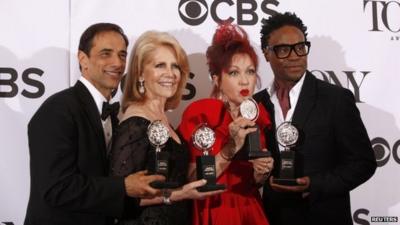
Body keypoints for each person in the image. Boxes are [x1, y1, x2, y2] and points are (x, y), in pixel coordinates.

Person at [24, 23, 165, 225]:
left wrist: (173, 195)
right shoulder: (58, 110)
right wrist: (123, 187)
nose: (117, 63)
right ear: (83, 59)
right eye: (106, 54)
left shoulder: (114, 116)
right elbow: (56, 188)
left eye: (122, 55)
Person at [254, 12, 377, 225]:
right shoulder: (256, 104)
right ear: (266, 53)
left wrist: (314, 184)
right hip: (272, 217)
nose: (295, 56)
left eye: (300, 47)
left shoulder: (336, 99)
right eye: (284, 50)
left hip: (323, 216)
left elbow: (363, 163)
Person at [109, 30, 223, 225]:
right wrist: (178, 195)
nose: (170, 74)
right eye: (160, 65)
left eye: (175, 66)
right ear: (140, 73)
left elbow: (179, 177)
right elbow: (119, 196)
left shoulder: (162, 118)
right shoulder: (135, 124)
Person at [178, 22, 274, 225]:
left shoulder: (258, 117)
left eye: (249, 71)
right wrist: (229, 149)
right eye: (233, 73)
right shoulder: (201, 114)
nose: (244, 81)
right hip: (213, 209)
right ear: (216, 79)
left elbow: (253, 183)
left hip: (251, 211)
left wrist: (260, 173)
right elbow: (191, 179)